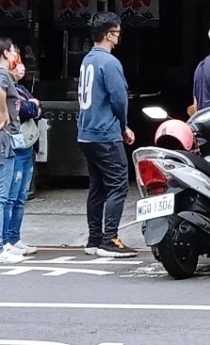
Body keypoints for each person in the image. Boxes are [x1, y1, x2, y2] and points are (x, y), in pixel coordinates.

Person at [77, 13, 137, 258]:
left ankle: (93, 238)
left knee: (97, 186)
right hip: (105, 132)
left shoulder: (87, 60)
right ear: (110, 33)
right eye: (118, 31)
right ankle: (109, 238)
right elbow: (119, 99)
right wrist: (124, 126)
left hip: (86, 132)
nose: (119, 36)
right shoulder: (109, 62)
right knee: (118, 184)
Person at [4, 49, 39, 256]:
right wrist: (31, 106)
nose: (20, 66)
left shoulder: (20, 88)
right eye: (15, 60)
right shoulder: (5, 86)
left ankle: (15, 238)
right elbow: (24, 110)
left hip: (27, 146)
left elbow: (36, 107)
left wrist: (32, 106)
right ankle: (6, 239)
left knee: (20, 197)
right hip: (13, 147)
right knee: (9, 196)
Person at [0, 39, 24, 264]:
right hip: (4, 138)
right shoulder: (2, 73)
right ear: (6, 53)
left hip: (8, 138)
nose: (16, 53)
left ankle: (5, 242)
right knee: (2, 196)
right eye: (14, 50)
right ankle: (0, 247)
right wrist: (2, 113)